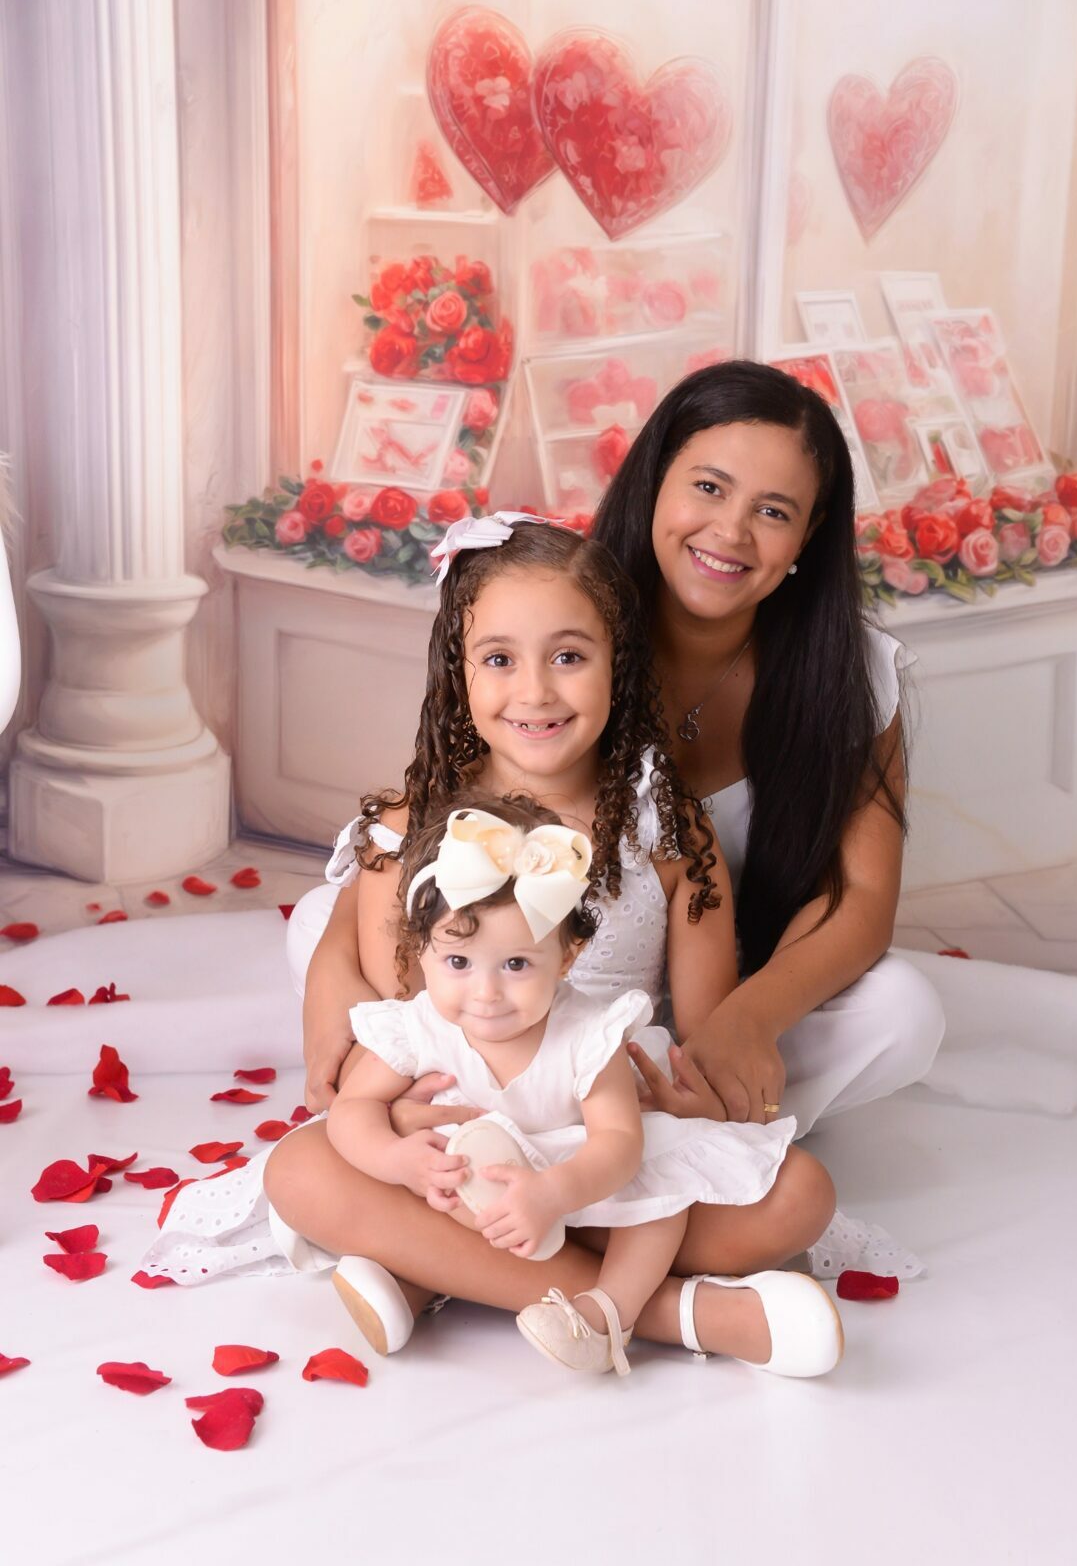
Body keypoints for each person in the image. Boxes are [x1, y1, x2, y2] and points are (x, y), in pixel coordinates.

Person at [140, 517, 840, 1371]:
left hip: (604, 1141)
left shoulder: (667, 833)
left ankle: (433, 1272)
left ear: (618, 664)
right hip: (463, 1148)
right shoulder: (406, 830)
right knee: (302, 1173)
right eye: (500, 658)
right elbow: (406, 1021)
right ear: (458, 672)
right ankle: (665, 1314)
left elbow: (704, 1029)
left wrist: (691, 1106)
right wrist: (396, 1132)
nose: (535, 692)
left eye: (569, 656)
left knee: (798, 1198)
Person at [330, 793, 841, 1378]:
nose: (486, 993)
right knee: (354, 1170)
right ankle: (434, 1277)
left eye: (516, 964)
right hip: (480, 1188)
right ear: (421, 950)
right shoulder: (418, 1027)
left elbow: (619, 1144)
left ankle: (608, 1314)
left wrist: (553, 1194)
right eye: (459, 963)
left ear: (567, 956)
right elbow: (353, 1109)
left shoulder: (588, 1036)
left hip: (582, 1180)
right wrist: (397, 1160)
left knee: (659, 1198)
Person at [590, 359, 946, 1129]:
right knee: (346, 925)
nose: (730, 532)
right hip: (563, 981)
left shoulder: (849, 672)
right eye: (708, 487)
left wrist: (744, 1021)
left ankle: (681, 1123)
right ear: (654, 480)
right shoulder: (560, 624)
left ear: (806, 537)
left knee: (904, 1012)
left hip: (736, 994)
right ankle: (682, 1130)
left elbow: (859, 899)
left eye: (773, 511)